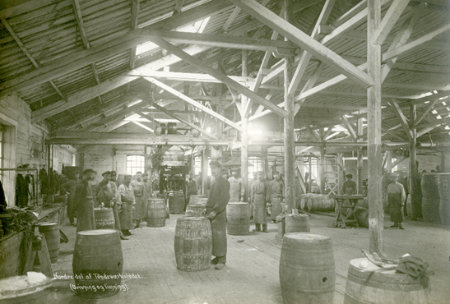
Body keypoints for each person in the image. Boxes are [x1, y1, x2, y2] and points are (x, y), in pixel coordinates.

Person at [205, 160, 230, 270]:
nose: (213, 171)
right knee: (214, 237)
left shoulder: (224, 182)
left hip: (218, 214)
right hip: (212, 213)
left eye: (215, 168)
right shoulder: (214, 182)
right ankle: (216, 256)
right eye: (211, 169)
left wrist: (215, 211)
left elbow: (224, 199)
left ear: (220, 169)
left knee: (220, 236)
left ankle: (222, 260)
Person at [109, 171, 127, 240]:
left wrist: (119, 202)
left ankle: (119, 234)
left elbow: (118, 194)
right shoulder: (109, 183)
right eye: (112, 176)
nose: (113, 177)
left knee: (117, 219)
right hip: (111, 203)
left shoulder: (117, 183)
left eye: (114, 176)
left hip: (116, 203)